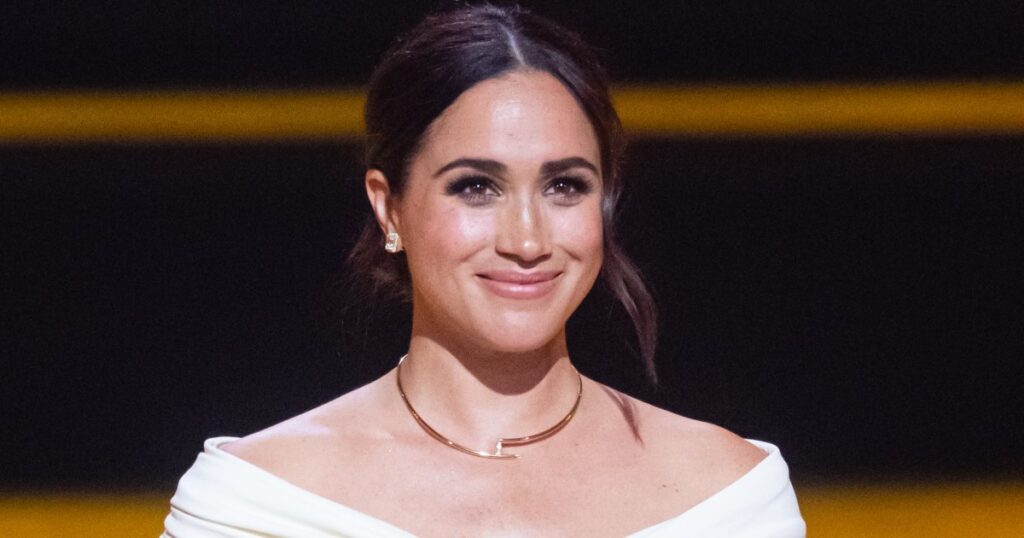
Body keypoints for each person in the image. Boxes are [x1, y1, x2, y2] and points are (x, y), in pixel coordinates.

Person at [162, 4, 806, 537]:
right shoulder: (258, 502)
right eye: (475, 187)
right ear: (388, 207)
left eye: (564, 186)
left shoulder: (728, 498)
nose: (527, 240)